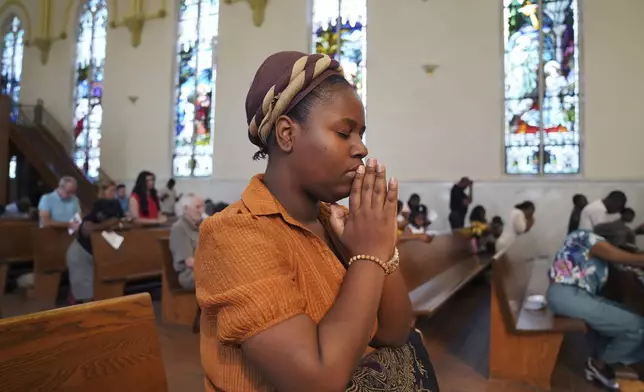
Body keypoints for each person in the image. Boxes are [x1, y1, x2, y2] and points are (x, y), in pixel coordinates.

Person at [195, 52, 436, 392]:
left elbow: (395, 332)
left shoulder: (336, 223)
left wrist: (382, 246)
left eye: (362, 134)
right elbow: (316, 379)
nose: (362, 149)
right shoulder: (234, 233)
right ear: (286, 135)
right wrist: (368, 255)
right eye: (344, 133)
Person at [547, 229, 644, 388]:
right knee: (638, 327)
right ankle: (598, 365)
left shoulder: (598, 262)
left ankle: (611, 358)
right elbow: (622, 257)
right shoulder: (586, 237)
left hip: (575, 296)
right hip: (567, 295)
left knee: (631, 315)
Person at [66, 182, 125, 303]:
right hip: (80, 254)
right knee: (85, 293)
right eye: (111, 190)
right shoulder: (95, 212)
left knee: (92, 290)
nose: (113, 193)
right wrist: (106, 225)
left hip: (94, 254)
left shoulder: (113, 206)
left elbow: (116, 227)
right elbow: (87, 228)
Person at [170, 195, 206, 290]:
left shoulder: (202, 226)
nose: (201, 211)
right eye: (197, 207)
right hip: (189, 274)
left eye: (203, 207)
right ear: (186, 209)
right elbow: (189, 262)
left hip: (204, 270)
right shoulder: (179, 228)